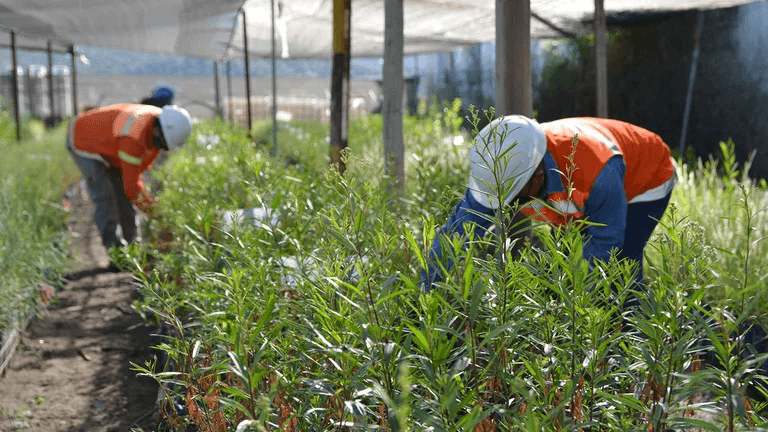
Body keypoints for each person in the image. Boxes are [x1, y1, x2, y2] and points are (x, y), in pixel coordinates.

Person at [423, 115, 676, 300]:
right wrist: (427, 291)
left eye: (514, 196)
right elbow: (458, 231)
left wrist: (561, 294)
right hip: (584, 188)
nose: (508, 204)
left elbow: (607, 242)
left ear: (536, 175)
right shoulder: (503, 170)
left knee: (623, 263)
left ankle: (631, 337)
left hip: (646, 177)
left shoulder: (597, 171)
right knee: (568, 254)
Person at [66, 103, 192, 264]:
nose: (160, 148)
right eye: (162, 144)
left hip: (112, 144)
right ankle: (116, 254)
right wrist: (158, 215)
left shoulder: (159, 124)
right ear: (158, 130)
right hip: (83, 140)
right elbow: (132, 188)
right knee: (105, 196)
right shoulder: (134, 137)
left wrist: (152, 209)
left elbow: (134, 180)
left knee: (123, 193)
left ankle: (133, 247)